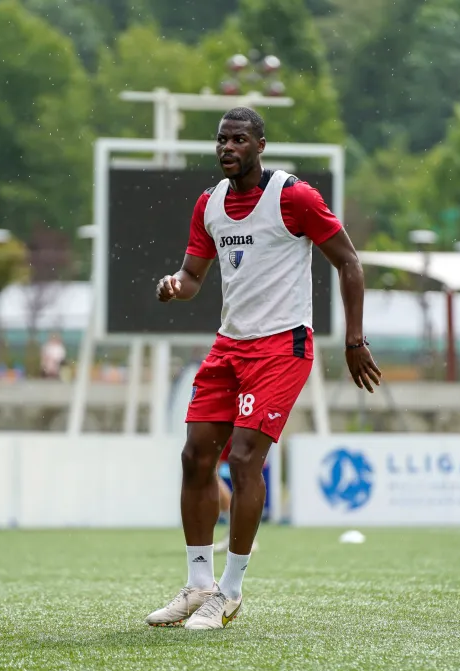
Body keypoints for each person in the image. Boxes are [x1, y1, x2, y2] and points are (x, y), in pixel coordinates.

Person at [145, 106, 381, 630]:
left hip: (281, 347)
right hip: (229, 347)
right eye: (221, 141)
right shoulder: (208, 205)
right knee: (194, 458)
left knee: (246, 459)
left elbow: (349, 261)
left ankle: (228, 593)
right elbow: (192, 275)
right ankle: (198, 584)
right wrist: (174, 286)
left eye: (238, 140)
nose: (227, 148)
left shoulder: (293, 197)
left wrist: (354, 339)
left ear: (260, 146)